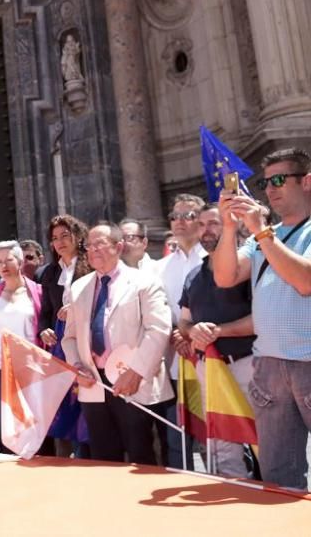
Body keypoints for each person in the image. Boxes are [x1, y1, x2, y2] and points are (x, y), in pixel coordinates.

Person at [212, 148, 311, 491]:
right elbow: (224, 276)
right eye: (266, 182)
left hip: (308, 361)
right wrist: (228, 228)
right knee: (279, 475)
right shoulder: (262, 238)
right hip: (269, 366)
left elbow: (305, 281)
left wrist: (261, 231)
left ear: (307, 181)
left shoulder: (274, 234)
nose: (270, 189)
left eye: (280, 180)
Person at [61, 223, 173, 464]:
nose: (92, 250)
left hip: (133, 382)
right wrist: (77, 366)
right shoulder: (79, 287)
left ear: (119, 246)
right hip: (94, 384)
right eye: (88, 246)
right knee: (104, 459)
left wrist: (137, 371)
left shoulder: (144, 281)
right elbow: (69, 337)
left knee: (142, 456)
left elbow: (159, 329)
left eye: (99, 244)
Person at [178, 204, 255, 478]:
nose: (206, 230)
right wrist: (192, 330)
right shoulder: (192, 276)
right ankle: (234, 495)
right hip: (209, 369)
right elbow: (183, 321)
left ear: (232, 227)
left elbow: (262, 320)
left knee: (268, 439)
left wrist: (218, 331)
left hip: (249, 365)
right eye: (201, 224)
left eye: (214, 223)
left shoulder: (250, 266)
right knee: (222, 444)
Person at [154, 193, 207, 469]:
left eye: (187, 216)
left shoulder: (212, 259)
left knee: (218, 437)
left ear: (201, 221)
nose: (179, 222)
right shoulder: (159, 268)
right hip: (174, 361)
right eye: (174, 216)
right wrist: (175, 333)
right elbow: (157, 310)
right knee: (177, 437)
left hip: (211, 359)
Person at [37, 215, 91, 457]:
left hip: (86, 343)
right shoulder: (49, 272)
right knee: (63, 403)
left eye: (65, 236)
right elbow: (46, 312)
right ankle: (64, 456)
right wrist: (44, 329)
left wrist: (76, 310)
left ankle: (88, 454)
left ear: (78, 236)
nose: (59, 242)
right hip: (60, 347)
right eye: (55, 238)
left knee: (85, 401)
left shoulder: (90, 265)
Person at [0, 241, 43, 436]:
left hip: (31, 370)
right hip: (0, 370)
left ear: (19, 261)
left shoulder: (38, 293)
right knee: (8, 431)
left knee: (33, 429)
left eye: (8, 260)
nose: (3, 266)